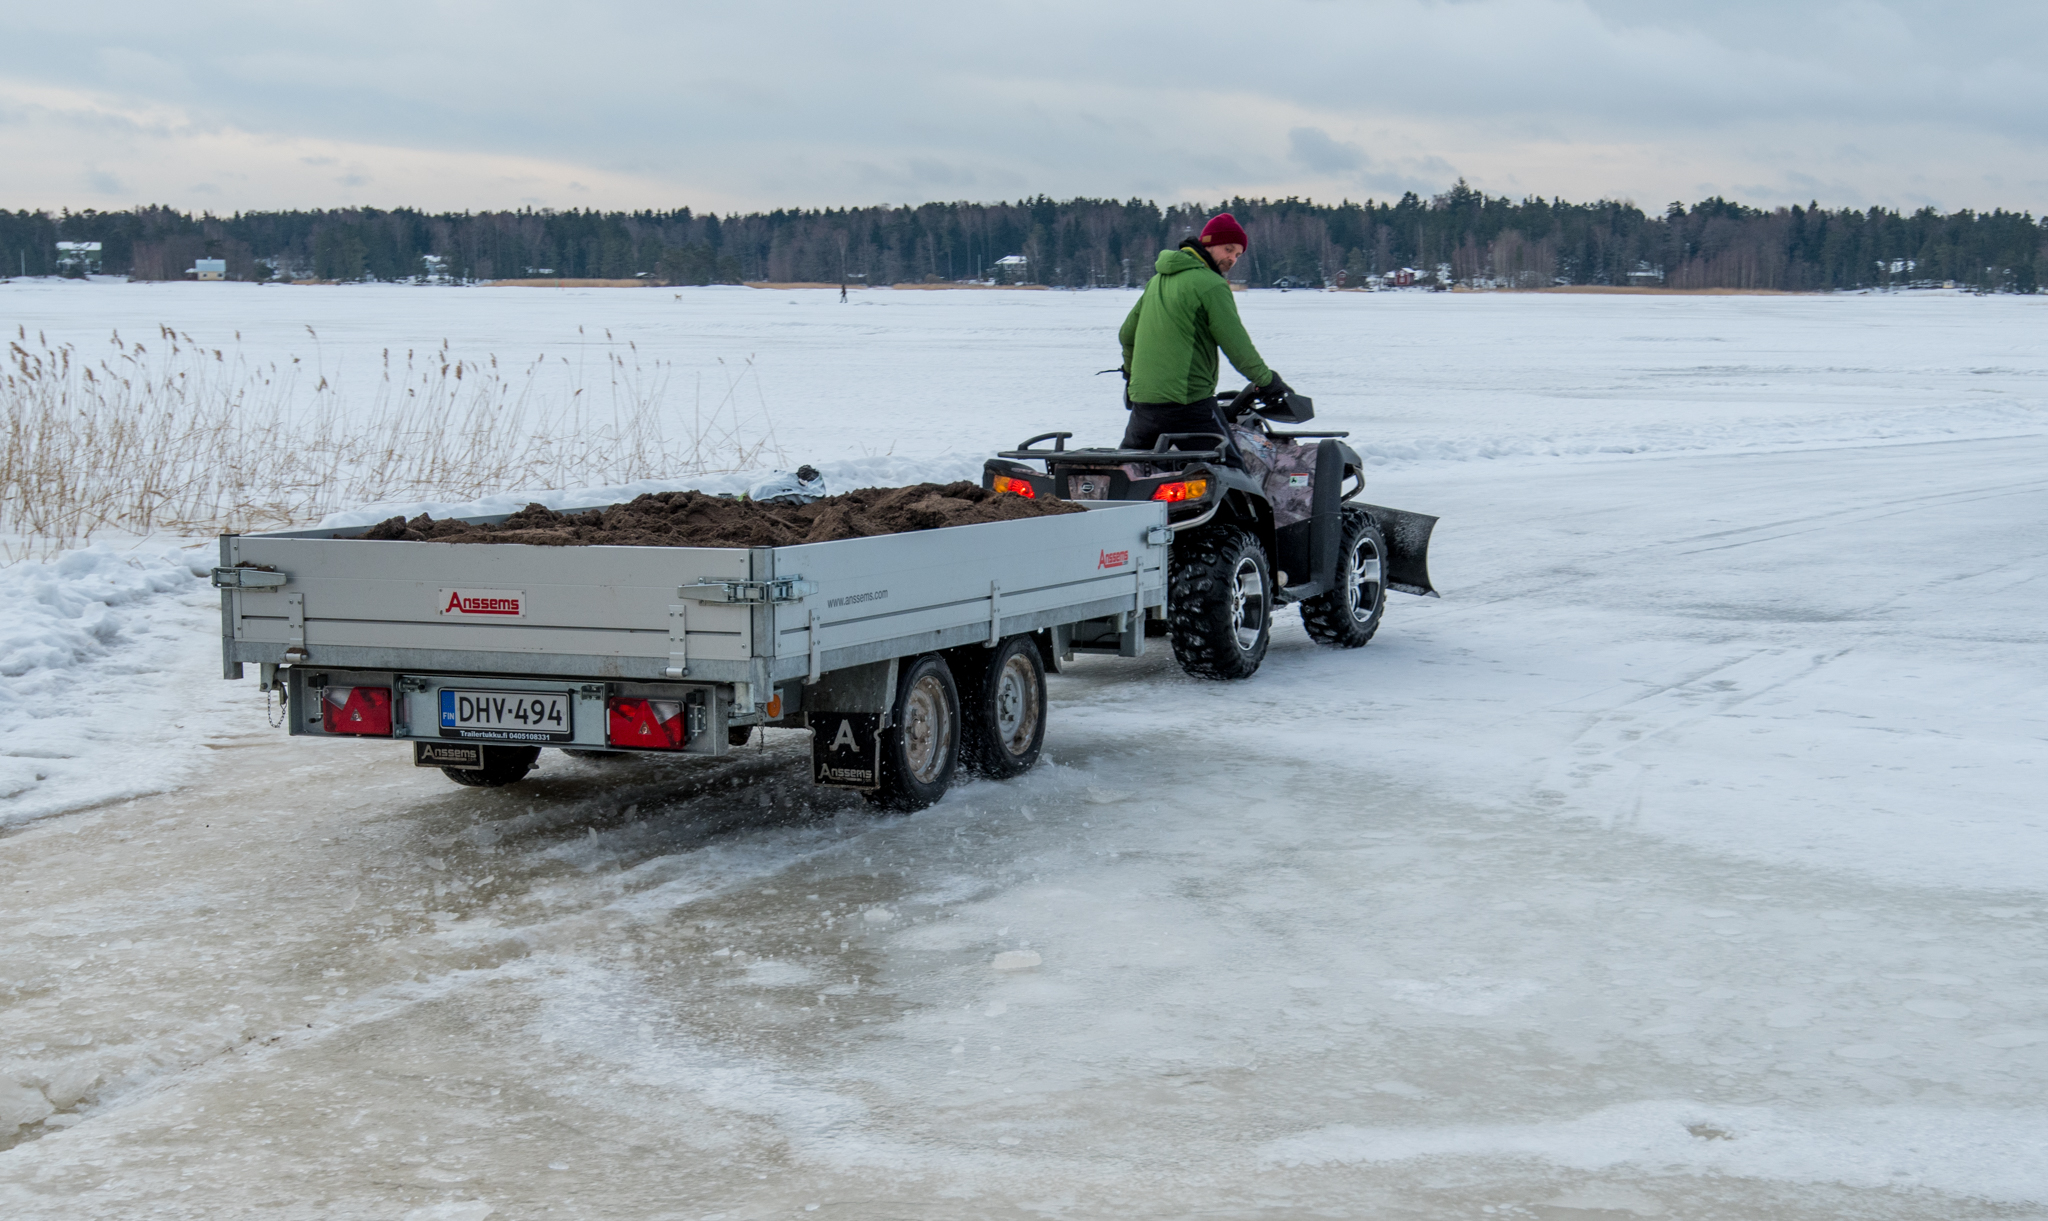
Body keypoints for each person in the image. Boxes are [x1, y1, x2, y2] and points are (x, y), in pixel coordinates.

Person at [1117, 213, 1292, 454]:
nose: (1231, 258)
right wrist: (1268, 381)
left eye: (1237, 255)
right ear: (1208, 243)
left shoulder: (1157, 281)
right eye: (1228, 249)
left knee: (1133, 473)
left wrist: (1130, 375)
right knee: (1231, 472)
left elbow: (1127, 334)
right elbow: (1236, 345)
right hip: (1188, 404)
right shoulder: (1211, 284)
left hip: (1144, 406)